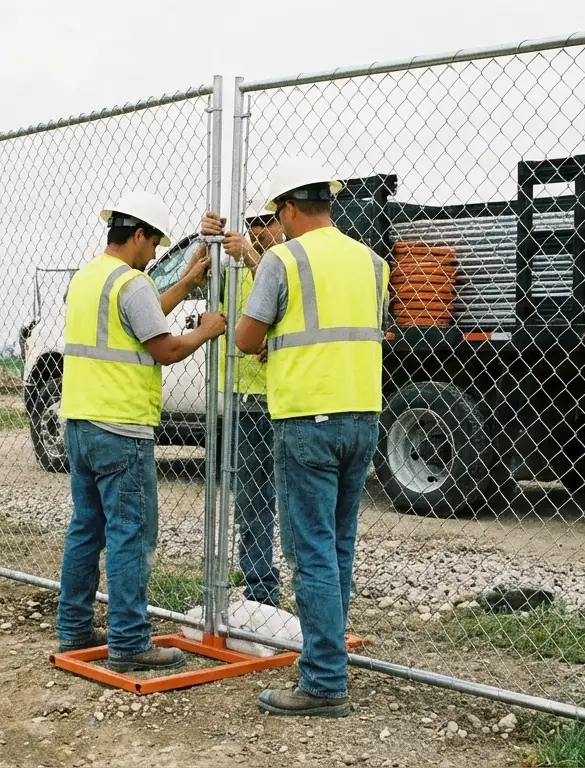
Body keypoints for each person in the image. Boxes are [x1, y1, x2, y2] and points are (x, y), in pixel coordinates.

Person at [233, 158, 388, 717]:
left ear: (291, 209)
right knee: (338, 546)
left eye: (278, 215)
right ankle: (330, 658)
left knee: (311, 551)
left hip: (306, 419)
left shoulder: (283, 259)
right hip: (363, 414)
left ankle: (323, 682)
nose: (276, 224)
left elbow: (248, 337)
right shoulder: (373, 261)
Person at [56, 191, 224, 672]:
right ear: (137, 235)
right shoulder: (131, 283)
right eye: (154, 245)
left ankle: (73, 629)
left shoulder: (90, 277)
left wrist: (190, 279)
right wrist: (205, 330)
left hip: (83, 423)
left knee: (87, 528)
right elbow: (165, 349)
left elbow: (142, 318)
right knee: (131, 533)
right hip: (122, 428)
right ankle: (129, 642)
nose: (154, 255)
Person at [200, 199, 285, 608]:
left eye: (266, 222)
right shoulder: (233, 268)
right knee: (252, 499)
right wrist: (209, 241)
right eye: (252, 224)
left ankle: (280, 588)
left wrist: (250, 255)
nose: (258, 231)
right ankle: (259, 589)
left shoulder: (287, 262)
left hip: (281, 397)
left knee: (284, 498)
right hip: (243, 399)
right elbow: (195, 279)